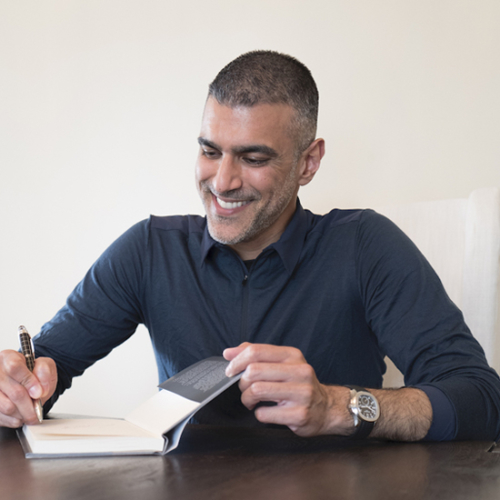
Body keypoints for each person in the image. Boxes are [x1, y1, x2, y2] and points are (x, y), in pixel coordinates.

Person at [1, 51, 499, 441]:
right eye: (209, 150)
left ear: (309, 162)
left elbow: (480, 399)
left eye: (253, 157)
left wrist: (336, 406)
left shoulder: (366, 246)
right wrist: (18, 387)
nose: (222, 181)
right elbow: (47, 365)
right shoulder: (148, 249)